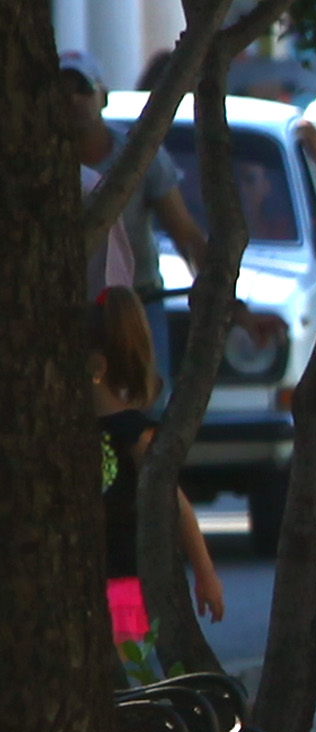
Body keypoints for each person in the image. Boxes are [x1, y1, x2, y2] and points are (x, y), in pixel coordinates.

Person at [86, 287, 217, 671]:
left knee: (138, 669)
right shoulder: (72, 433)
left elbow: (175, 504)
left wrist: (205, 571)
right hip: (96, 575)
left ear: (96, 368)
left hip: (126, 577)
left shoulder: (133, 433)